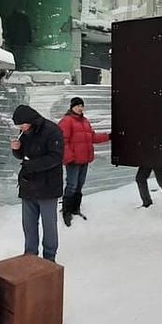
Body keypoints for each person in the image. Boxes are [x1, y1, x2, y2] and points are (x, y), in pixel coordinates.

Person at [11, 105, 64, 262]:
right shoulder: (25, 132)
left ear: (31, 120)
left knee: (49, 224)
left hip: (48, 185)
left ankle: (49, 257)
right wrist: (16, 149)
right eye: (19, 126)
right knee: (28, 224)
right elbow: (23, 155)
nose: (21, 128)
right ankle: (30, 255)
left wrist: (31, 165)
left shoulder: (52, 130)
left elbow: (56, 157)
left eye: (22, 125)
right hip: (28, 185)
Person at [57, 97, 109, 227]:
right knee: (72, 185)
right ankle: (66, 211)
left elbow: (92, 137)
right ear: (72, 107)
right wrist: (69, 157)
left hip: (84, 159)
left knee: (79, 185)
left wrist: (109, 136)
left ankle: (75, 208)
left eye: (81, 105)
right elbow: (62, 141)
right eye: (77, 106)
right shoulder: (66, 121)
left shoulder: (85, 121)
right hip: (73, 161)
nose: (80, 108)